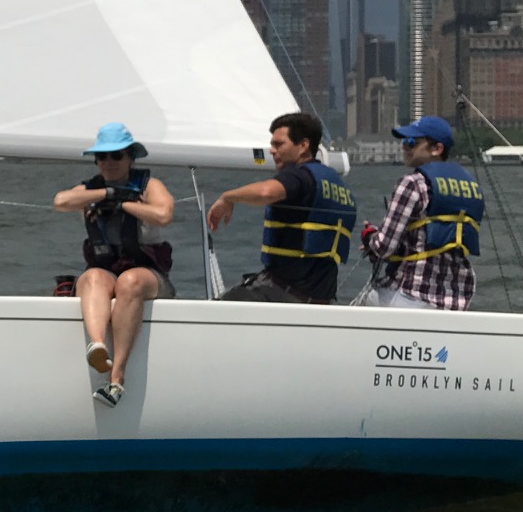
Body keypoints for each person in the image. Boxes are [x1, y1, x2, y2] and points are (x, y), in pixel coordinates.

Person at [52, 123, 175, 407]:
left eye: (117, 156)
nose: (108, 162)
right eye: (102, 157)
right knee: (93, 277)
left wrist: (125, 205)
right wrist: (108, 194)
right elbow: (61, 201)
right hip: (106, 270)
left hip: (149, 276)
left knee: (129, 281)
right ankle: (97, 345)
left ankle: (117, 378)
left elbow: (164, 213)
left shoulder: (149, 185)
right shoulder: (91, 188)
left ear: (130, 157)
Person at [206, 110, 357, 304]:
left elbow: (266, 192)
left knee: (214, 311)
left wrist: (228, 197)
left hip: (282, 292)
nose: (271, 150)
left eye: (279, 144)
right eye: (271, 145)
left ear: (303, 146)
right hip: (320, 298)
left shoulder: (298, 175)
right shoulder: (339, 187)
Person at [358, 115, 482, 311]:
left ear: (436, 149)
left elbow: (384, 247)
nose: (404, 147)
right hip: (456, 300)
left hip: (412, 294)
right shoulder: (471, 187)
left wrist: (370, 237)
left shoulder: (412, 183)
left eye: (411, 142)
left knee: (365, 302)